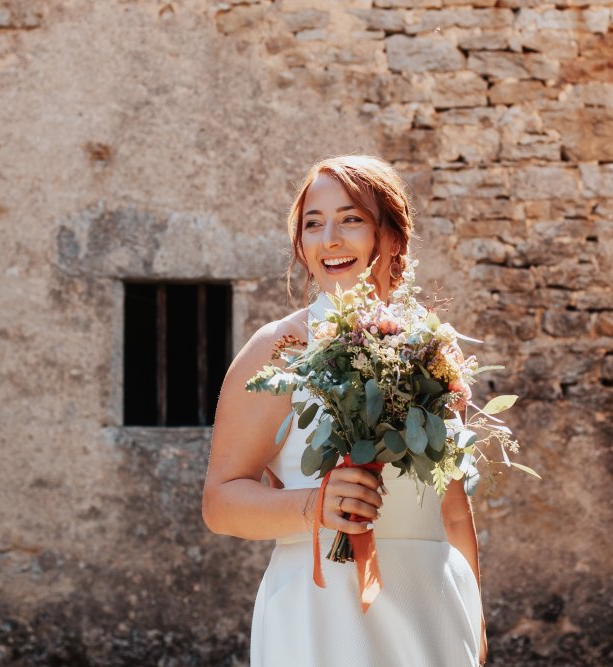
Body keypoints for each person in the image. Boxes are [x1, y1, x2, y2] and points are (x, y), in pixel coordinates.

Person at [203, 155, 486, 666]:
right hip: (321, 611)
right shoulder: (279, 349)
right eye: (313, 224)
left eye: (351, 219)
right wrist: (314, 506)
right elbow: (220, 504)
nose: (329, 239)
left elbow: (451, 507)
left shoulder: (434, 351)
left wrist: (475, 620)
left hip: (432, 608)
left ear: (392, 237)